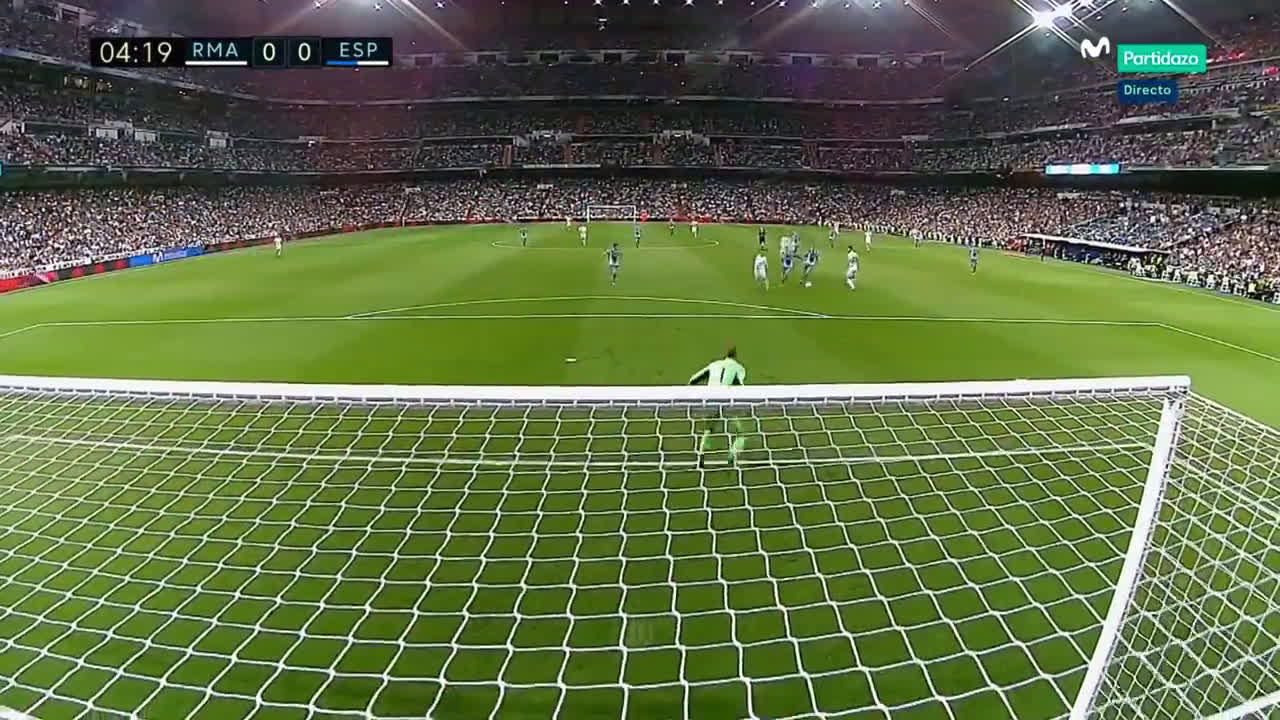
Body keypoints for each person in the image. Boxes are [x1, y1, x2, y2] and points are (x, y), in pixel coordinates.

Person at [688, 346, 747, 468]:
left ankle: (701, 455)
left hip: (710, 399)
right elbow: (740, 385)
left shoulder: (714, 364)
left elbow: (693, 379)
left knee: (709, 429)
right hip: (726, 401)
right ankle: (732, 455)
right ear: (735, 356)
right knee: (740, 432)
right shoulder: (739, 368)